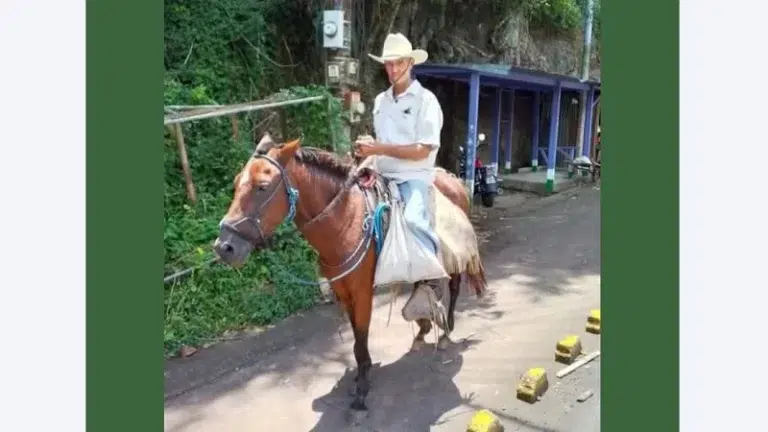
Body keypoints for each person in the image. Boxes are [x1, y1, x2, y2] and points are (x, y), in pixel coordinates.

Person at [354, 32, 443, 287]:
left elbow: (422, 150)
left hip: (412, 176)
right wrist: (368, 153)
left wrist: (379, 147)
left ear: (410, 63)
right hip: (380, 173)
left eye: (398, 63)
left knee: (414, 219)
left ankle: (430, 282)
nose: (392, 69)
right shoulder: (381, 100)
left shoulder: (426, 101)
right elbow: (382, 142)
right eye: (388, 64)